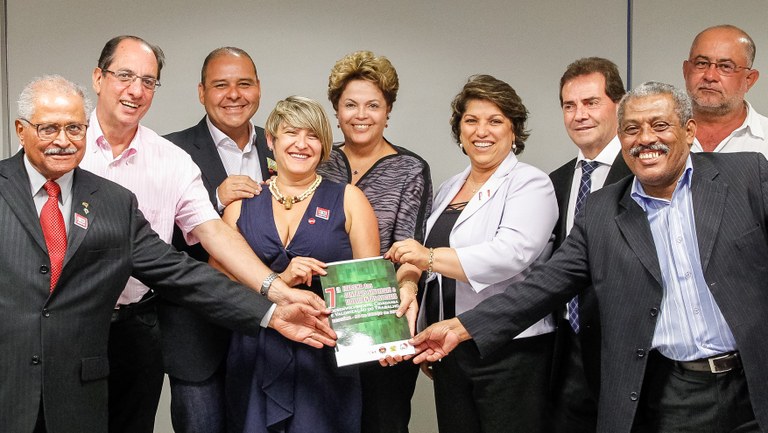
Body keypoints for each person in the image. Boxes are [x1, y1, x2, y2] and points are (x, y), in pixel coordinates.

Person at [411, 81, 768, 433]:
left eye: (659, 126)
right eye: (631, 129)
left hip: (755, 380)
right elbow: (542, 287)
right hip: (673, 392)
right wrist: (459, 328)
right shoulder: (602, 212)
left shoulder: (747, 175)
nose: (645, 139)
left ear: (688, 131)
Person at [1, 75, 336, 433]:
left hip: (77, 395)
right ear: (21, 130)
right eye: (49, 128)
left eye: (75, 128)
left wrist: (270, 312)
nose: (63, 141)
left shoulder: (114, 203)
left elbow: (183, 275)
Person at [78, 35, 323, 433]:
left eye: (148, 81)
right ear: (98, 77)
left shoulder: (172, 160)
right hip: (71, 323)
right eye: (125, 76)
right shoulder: (68, 147)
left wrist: (278, 291)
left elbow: (214, 232)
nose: (136, 90)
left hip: (139, 326)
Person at [386, 74, 558, 432]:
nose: (482, 131)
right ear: (459, 131)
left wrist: (427, 256)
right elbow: (434, 277)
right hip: (452, 346)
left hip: (509, 349)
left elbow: (511, 254)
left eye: (495, 121)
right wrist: (423, 326)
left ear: (514, 131)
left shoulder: (531, 183)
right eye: (471, 120)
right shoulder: (451, 186)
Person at [218, 96, 380, 433]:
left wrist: (384, 341)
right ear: (272, 141)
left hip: (325, 351)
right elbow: (218, 287)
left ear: (323, 146)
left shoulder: (349, 199)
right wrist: (280, 281)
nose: (302, 144)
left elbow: (371, 289)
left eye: (313, 135)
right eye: (291, 133)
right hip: (256, 350)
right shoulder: (241, 206)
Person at [317, 49, 432, 433]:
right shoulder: (317, 160)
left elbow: (409, 248)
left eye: (373, 105)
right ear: (336, 110)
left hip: (384, 318)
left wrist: (404, 300)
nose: (361, 115)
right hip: (323, 325)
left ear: (388, 110)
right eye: (350, 104)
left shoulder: (409, 168)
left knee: (383, 421)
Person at [162, 46, 273, 433]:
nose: (234, 94)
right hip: (196, 335)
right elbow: (152, 241)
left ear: (258, 88)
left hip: (268, 332)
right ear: (201, 92)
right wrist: (214, 200)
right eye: (220, 85)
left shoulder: (283, 145)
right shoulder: (169, 150)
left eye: (244, 83)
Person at [548, 57, 631, 433]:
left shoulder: (643, 174)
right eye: (570, 105)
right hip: (567, 353)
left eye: (591, 102)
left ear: (619, 104)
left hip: (627, 354)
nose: (579, 115)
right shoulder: (557, 181)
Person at [683, 24, 767, 156]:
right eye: (701, 63)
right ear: (686, 71)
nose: (710, 76)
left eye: (725, 66)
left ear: (749, 79)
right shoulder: (655, 135)